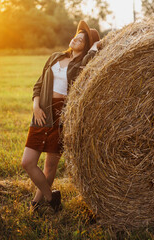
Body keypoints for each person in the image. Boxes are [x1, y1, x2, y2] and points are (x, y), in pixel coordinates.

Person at [21, 20, 101, 212]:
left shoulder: (82, 64)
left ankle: (35, 205)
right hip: (42, 112)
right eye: (77, 35)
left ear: (87, 46)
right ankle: (51, 197)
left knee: (50, 165)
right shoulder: (55, 57)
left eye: (82, 39)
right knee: (27, 162)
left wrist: (95, 48)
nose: (76, 38)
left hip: (62, 116)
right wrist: (36, 107)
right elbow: (38, 84)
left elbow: (87, 66)